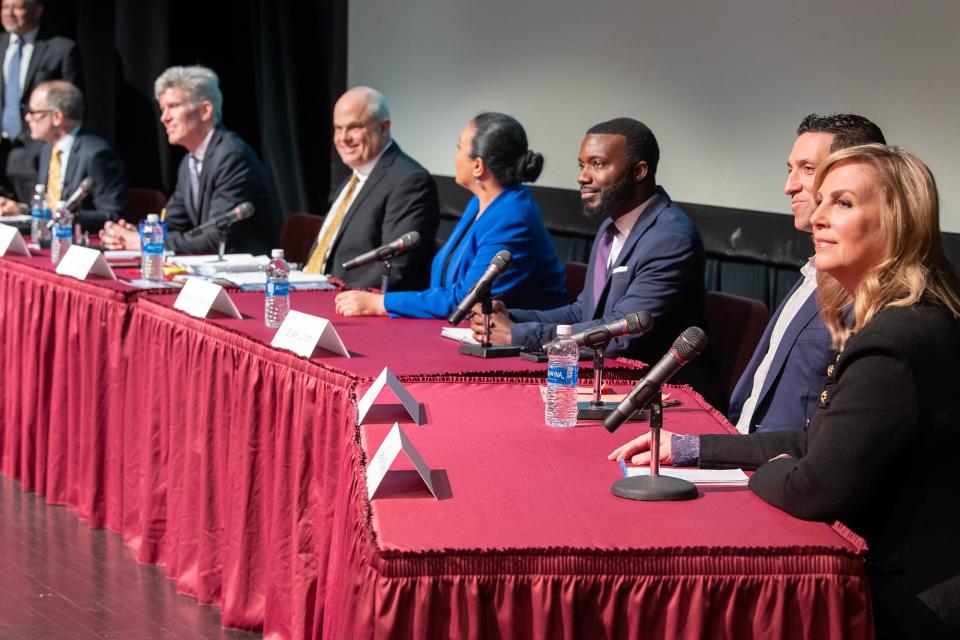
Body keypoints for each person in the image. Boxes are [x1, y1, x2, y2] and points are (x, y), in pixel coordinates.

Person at [610, 145, 960, 638]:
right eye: (821, 203)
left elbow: (812, 485)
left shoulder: (895, 339)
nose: (816, 217)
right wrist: (688, 448)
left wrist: (770, 474)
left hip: (903, 604)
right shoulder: (902, 318)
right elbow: (813, 441)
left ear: (898, 223)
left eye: (841, 203)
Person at [470, 117, 722, 407]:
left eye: (598, 164)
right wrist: (514, 316)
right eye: (582, 165)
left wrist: (517, 334)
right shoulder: (610, 227)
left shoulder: (670, 238)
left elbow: (620, 335)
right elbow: (584, 312)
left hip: (667, 397)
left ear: (639, 171)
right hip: (612, 382)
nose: (583, 176)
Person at [728, 113, 885, 434]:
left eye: (808, 169)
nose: (789, 186)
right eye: (790, 170)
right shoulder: (813, 270)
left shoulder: (870, 291)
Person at [334, 112, 566, 318]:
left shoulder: (512, 218)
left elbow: (467, 300)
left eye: (459, 147)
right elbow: (447, 283)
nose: (455, 156)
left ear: (477, 166)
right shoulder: (480, 202)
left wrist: (382, 303)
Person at [99, 65, 279, 254]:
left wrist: (145, 241)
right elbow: (173, 224)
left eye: (173, 106)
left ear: (205, 110)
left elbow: (215, 236)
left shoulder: (232, 156)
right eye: (162, 109)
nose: (164, 118)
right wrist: (134, 233)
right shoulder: (189, 162)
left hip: (247, 274)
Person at [302, 86, 438, 291]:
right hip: (320, 294)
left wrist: (342, 297)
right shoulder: (354, 177)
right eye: (338, 128)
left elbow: (396, 265)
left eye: (354, 127)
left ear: (383, 128)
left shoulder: (410, 181)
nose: (343, 138)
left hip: (355, 305)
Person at [0, 80, 126, 231]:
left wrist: (64, 216)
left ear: (57, 117)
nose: (27, 118)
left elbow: (111, 216)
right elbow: (50, 209)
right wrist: (23, 210)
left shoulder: (96, 154)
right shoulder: (47, 150)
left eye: (33, 112)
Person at [0, 0, 82, 203]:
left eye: (17, 7)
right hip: (2, 152)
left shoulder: (60, 48)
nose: (10, 13)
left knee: (36, 217)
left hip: (37, 151)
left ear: (37, 11)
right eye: (5, 7)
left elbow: (72, 104)